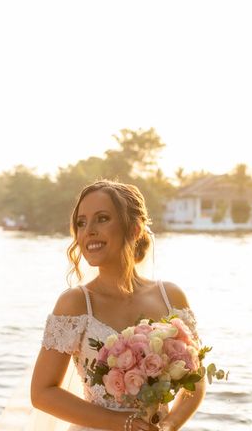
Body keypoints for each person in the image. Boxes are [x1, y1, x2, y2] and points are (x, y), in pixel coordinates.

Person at [31, 180, 206, 431]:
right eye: (81, 223)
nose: (88, 230)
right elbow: (42, 393)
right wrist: (124, 423)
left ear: (134, 229)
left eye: (102, 219)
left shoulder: (171, 297)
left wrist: (169, 425)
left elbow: (196, 382)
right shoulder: (76, 303)